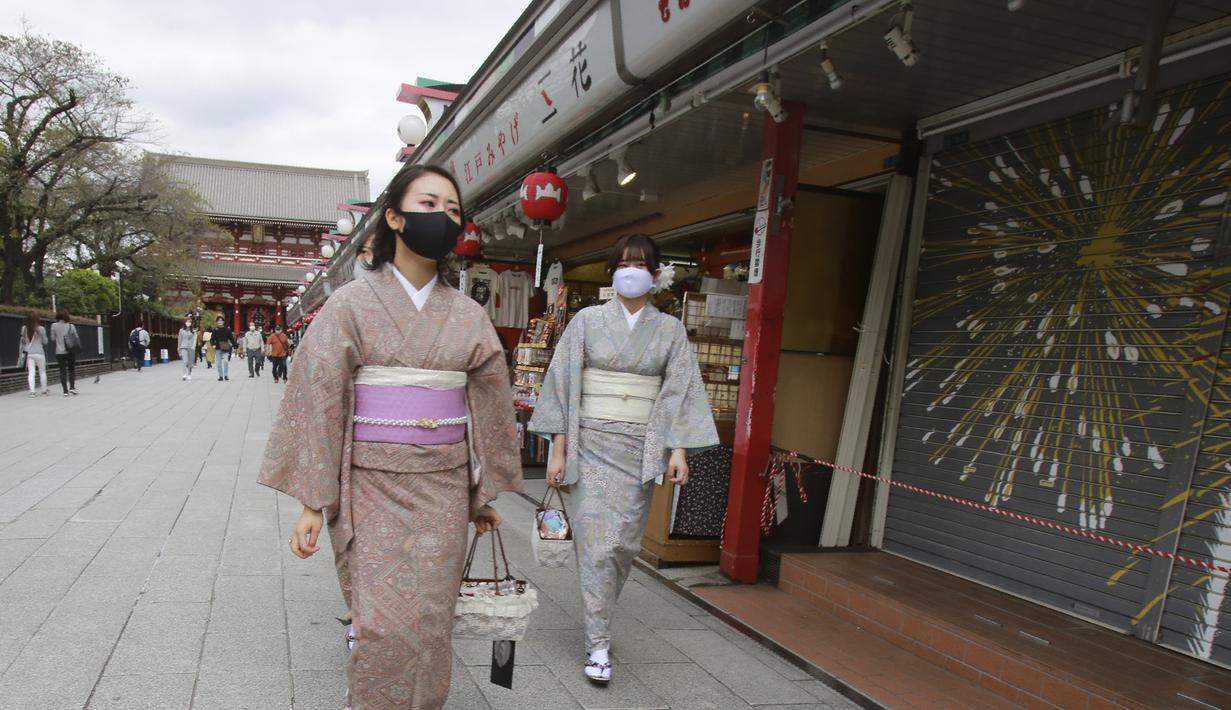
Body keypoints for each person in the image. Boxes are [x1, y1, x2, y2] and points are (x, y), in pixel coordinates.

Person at [258, 164, 522, 709]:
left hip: (443, 489)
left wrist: (480, 493)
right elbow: (321, 395)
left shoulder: (469, 315)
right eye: (428, 205)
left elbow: (488, 405)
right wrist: (313, 501)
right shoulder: (352, 305)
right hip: (368, 485)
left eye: (452, 211)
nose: (443, 218)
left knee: (430, 623)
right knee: (380, 622)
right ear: (395, 218)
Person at [530, 233, 719, 685]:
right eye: (623, 263)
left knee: (623, 546)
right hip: (590, 443)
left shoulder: (670, 330)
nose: (631, 270)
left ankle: (600, 617)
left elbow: (679, 390)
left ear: (654, 275)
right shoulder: (586, 321)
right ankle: (598, 642)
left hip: (640, 449)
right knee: (597, 542)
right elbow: (562, 384)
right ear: (612, 271)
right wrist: (558, 450)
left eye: (640, 264)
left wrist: (678, 451)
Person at [49, 310, 80, 396]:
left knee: (62, 371)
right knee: (71, 369)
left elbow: (52, 338)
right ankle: (72, 388)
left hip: (59, 351)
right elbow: (76, 337)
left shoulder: (54, 325)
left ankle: (65, 391)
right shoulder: (71, 326)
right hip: (70, 351)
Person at [19, 314, 49, 397]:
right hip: (39, 353)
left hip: (29, 353)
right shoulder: (41, 329)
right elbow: (45, 342)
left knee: (31, 372)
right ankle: (44, 391)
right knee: (42, 372)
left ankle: (32, 392)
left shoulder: (24, 328)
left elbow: (23, 341)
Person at [210, 316, 238, 381]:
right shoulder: (215, 330)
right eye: (218, 320)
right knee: (218, 363)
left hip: (225, 347)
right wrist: (213, 344)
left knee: (225, 361)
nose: (220, 322)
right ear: (217, 322)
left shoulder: (227, 330)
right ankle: (220, 376)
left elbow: (231, 338)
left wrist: (235, 345)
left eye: (221, 320)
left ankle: (226, 375)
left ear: (223, 322)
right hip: (218, 348)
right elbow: (212, 339)